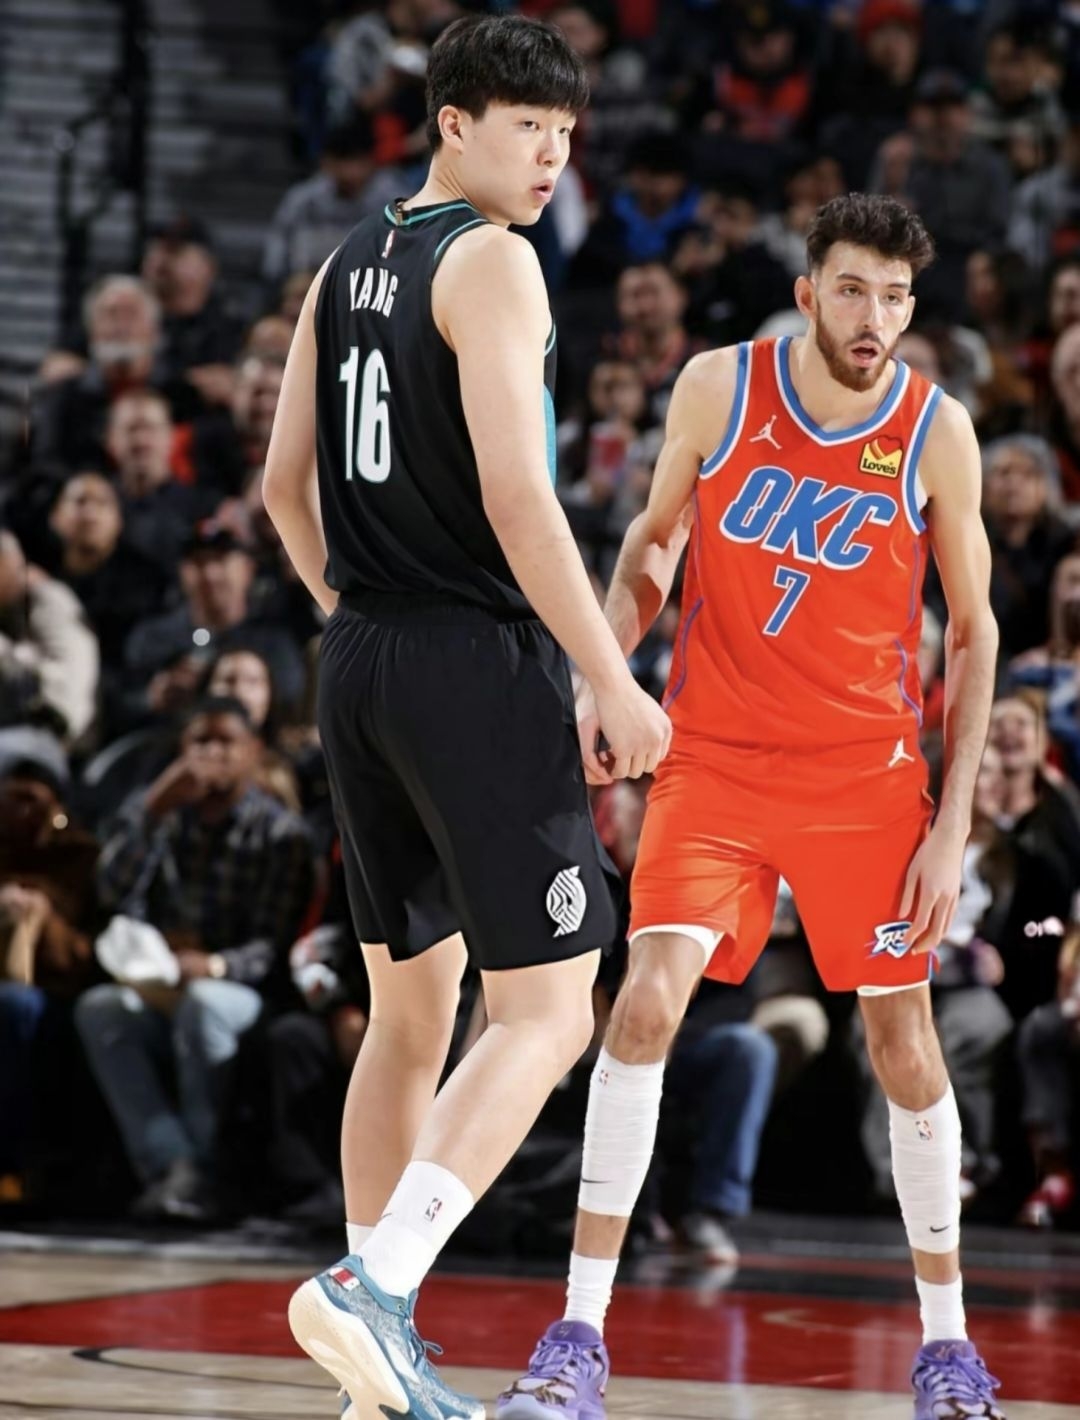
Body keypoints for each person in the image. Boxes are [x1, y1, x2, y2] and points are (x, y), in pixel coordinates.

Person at [499, 193, 1005, 1419]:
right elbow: (651, 544)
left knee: (904, 1042)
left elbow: (976, 631)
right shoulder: (720, 388)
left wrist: (951, 828)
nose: (874, 316)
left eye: (895, 297)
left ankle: (948, 1345)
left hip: (865, 778)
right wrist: (605, 682)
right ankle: (577, 1334)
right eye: (853, 289)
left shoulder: (936, 431)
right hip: (716, 758)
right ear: (807, 292)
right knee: (645, 1005)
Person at [260, 15, 670, 1420]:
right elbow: (518, 498)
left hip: (361, 655)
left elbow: (283, 490)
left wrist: (358, 616)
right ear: (452, 123)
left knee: (411, 1011)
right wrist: (608, 676)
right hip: (467, 659)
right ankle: (372, 1291)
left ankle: (370, 1362)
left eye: (566, 133)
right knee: (552, 1006)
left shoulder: (344, 259)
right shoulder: (491, 260)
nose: (552, 156)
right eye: (525, 127)